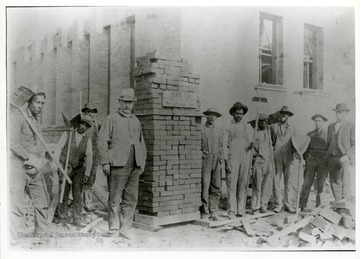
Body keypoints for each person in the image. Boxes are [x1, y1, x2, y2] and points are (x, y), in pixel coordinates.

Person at [98, 88, 147, 239]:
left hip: (134, 164)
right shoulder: (111, 119)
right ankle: (113, 229)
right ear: (119, 102)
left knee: (131, 198)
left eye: (130, 102)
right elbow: (101, 141)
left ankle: (125, 228)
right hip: (117, 165)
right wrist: (105, 162)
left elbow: (141, 143)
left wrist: (142, 161)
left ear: (133, 104)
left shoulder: (135, 120)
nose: (127, 105)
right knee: (115, 198)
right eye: (124, 102)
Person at [9, 91, 51, 238]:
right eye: (37, 102)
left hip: (35, 168)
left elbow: (39, 145)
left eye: (42, 103)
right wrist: (31, 159)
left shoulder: (36, 120)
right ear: (30, 102)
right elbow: (12, 143)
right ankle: (14, 240)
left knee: (41, 201)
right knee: (17, 203)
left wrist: (40, 163)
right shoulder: (18, 117)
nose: (40, 106)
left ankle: (42, 234)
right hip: (18, 166)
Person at [54, 117, 93, 228]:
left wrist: (87, 173)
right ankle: (62, 217)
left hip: (78, 170)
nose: (83, 127)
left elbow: (89, 157)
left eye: (86, 126)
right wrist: (56, 165)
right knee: (64, 193)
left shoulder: (87, 139)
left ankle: (77, 219)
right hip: (65, 167)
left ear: (87, 128)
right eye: (82, 124)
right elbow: (58, 149)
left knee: (77, 195)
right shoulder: (68, 134)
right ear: (78, 125)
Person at [223, 102, 253, 217]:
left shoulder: (248, 127)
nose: (239, 115)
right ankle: (232, 210)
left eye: (241, 113)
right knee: (231, 184)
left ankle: (241, 210)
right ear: (233, 114)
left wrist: (251, 145)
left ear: (243, 114)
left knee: (243, 184)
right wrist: (226, 161)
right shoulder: (228, 125)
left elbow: (249, 143)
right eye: (237, 113)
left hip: (244, 158)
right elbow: (224, 145)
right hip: (232, 158)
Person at [325, 103, 355, 202]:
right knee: (333, 180)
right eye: (337, 113)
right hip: (331, 157)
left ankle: (345, 200)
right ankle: (338, 202)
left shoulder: (351, 126)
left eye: (341, 113)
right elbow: (328, 143)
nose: (338, 115)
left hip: (343, 157)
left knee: (345, 179)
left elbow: (355, 144)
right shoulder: (330, 126)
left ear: (345, 114)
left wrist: (347, 155)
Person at [299, 114, 328, 211]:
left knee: (321, 185)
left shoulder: (327, 135)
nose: (317, 123)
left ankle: (318, 207)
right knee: (307, 183)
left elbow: (329, 149)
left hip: (322, 162)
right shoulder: (310, 134)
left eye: (320, 121)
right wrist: (306, 158)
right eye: (316, 121)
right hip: (311, 161)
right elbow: (305, 149)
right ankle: (302, 206)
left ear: (323, 122)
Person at [270, 105, 296, 213]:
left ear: (289, 116)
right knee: (277, 180)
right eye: (282, 114)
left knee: (288, 181)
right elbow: (271, 141)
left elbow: (295, 143)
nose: (284, 117)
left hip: (289, 157)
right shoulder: (274, 127)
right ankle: (278, 204)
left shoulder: (292, 128)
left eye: (286, 115)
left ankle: (288, 204)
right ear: (279, 115)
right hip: (277, 156)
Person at [249, 114, 274, 215]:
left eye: (265, 121)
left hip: (268, 161)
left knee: (266, 185)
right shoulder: (254, 133)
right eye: (261, 121)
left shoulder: (268, 132)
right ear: (257, 122)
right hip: (258, 161)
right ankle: (255, 207)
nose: (263, 123)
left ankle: (263, 205)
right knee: (257, 185)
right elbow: (251, 148)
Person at [200, 107, 223, 220]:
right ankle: (205, 211)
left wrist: (221, 159)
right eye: (210, 115)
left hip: (216, 159)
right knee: (205, 185)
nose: (212, 117)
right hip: (206, 159)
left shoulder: (218, 130)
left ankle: (214, 210)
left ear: (216, 118)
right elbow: (196, 143)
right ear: (206, 116)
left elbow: (220, 145)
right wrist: (200, 153)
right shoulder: (201, 129)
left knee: (216, 186)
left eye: (214, 116)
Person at [82, 103, 101, 212]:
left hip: (95, 154)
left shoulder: (97, 124)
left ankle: (88, 203)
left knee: (91, 178)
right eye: (88, 112)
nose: (90, 114)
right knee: (83, 178)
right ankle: (79, 203)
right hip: (84, 154)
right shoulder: (82, 124)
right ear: (84, 112)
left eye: (92, 112)